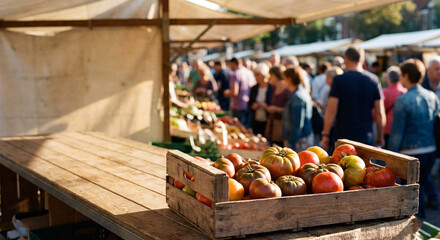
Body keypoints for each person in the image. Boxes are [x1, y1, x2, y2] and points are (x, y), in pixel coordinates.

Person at [388, 59, 439, 218]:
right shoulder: (431, 95)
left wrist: (390, 156)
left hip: (410, 152)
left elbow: (397, 133)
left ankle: (414, 225)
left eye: (402, 75)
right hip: (430, 150)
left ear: (406, 75)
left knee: (409, 193)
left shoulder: (403, 100)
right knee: (420, 189)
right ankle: (420, 222)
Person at [321, 47, 386, 152]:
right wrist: (380, 135)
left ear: (346, 59)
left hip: (343, 134)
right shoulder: (373, 80)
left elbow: (331, 109)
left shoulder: (339, 80)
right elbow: (380, 112)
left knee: (341, 166)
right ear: (362, 59)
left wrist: (325, 134)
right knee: (363, 167)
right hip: (365, 134)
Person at [282, 67, 314, 151]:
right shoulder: (302, 92)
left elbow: (297, 123)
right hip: (302, 137)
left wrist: (291, 143)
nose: (283, 81)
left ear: (289, 79)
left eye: (284, 78)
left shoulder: (296, 96)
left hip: (299, 140)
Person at [224, 58, 255, 128]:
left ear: (234, 64)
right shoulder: (249, 72)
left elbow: (234, 92)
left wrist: (226, 93)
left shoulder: (235, 74)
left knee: (238, 128)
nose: (229, 67)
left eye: (230, 65)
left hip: (238, 105)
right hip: (248, 104)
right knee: (245, 129)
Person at [382, 66, 407, 148]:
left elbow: (376, 113)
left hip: (388, 129)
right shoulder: (406, 91)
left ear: (388, 78)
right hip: (403, 129)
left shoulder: (385, 93)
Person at [265, 67, 290, 146]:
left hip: (282, 126)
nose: (269, 78)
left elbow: (289, 110)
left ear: (275, 76)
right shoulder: (274, 88)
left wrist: (276, 109)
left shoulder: (286, 89)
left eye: (271, 75)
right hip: (274, 125)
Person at [249, 63, 273, 135]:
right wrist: (252, 106)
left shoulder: (271, 88)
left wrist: (265, 106)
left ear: (263, 75)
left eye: (257, 75)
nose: (256, 77)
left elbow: (272, 103)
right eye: (255, 75)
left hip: (267, 121)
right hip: (256, 120)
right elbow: (249, 103)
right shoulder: (254, 88)